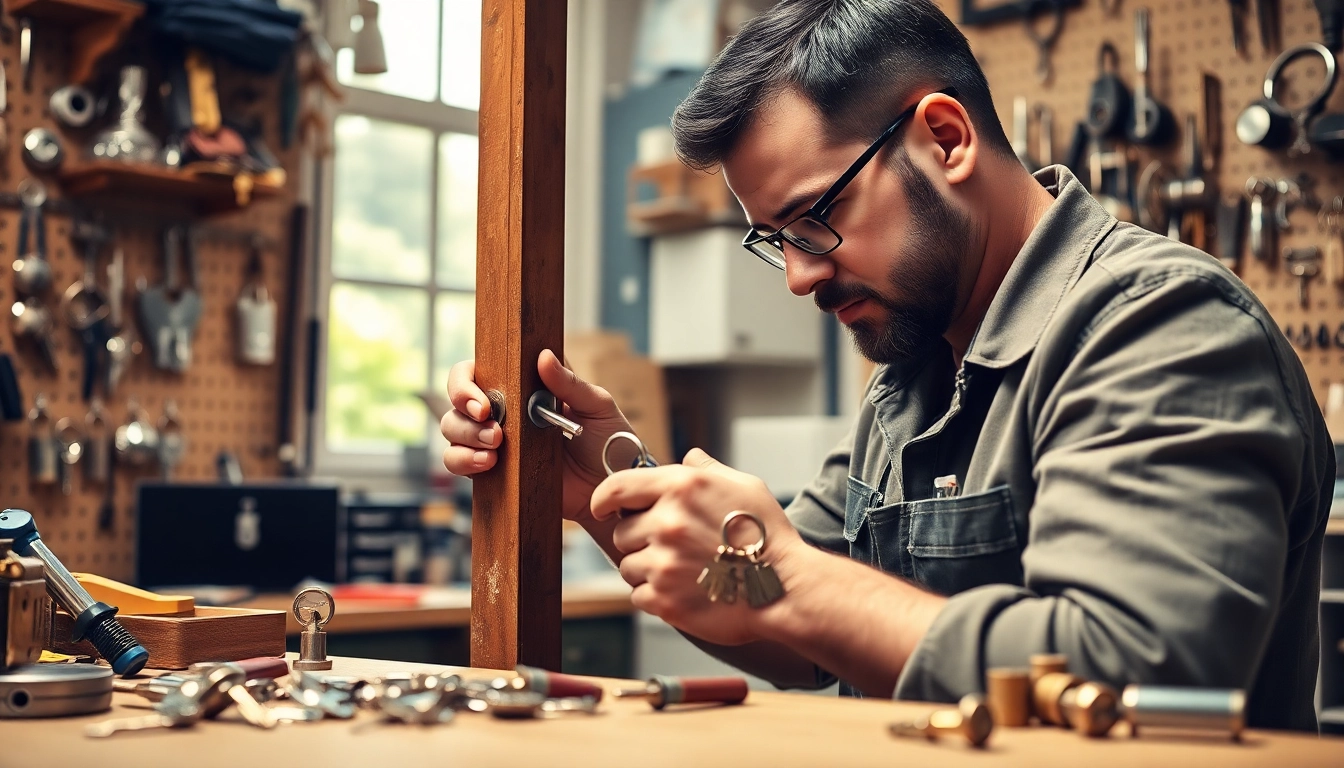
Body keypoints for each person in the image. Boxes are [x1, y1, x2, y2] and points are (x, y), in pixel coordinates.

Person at [442, 0, 1332, 731]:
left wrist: (782, 570)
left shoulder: (1160, 325)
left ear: (944, 138)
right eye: (775, 241)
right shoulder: (912, 377)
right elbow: (792, 633)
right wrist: (614, 485)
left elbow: (1142, 674)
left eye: (814, 219)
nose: (798, 276)